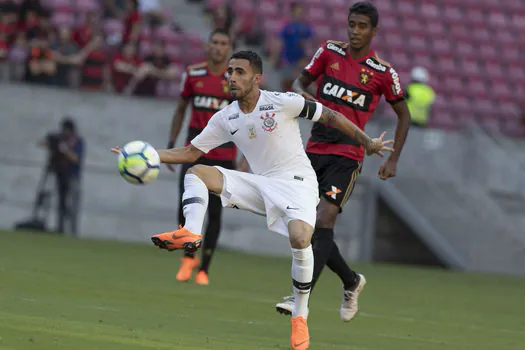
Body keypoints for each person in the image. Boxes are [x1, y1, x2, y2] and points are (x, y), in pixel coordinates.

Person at [113, 50, 393, 350]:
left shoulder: (283, 102)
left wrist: (367, 142)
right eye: (230, 72)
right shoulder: (226, 117)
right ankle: (191, 232)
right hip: (261, 184)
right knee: (196, 172)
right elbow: (189, 152)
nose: (232, 77)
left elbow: (332, 115)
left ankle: (300, 316)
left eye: (239, 72)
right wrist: (151, 155)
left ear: (256, 78)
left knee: (301, 239)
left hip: (298, 184)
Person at [275, 1, 411, 322]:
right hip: (314, 149)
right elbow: (299, 82)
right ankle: (351, 281)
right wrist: (301, 96)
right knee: (311, 228)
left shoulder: (382, 73)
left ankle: (299, 297)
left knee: (324, 219)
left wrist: (393, 160)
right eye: (352, 24)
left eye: (362, 26)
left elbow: (404, 116)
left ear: (373, 31)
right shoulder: (328, 52)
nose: (355, 31)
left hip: (348, 155)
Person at [166, 28, 242, 285]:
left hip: (223, 157)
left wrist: (244, 159)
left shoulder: (236, 80)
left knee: (215, 214)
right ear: (208, 46)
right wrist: (170, 144)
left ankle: (204, 269)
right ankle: (188, 258)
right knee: (185, 207)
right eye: (215, 42)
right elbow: (180, 110)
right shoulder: (193, 73)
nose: (219, 47)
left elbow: (246, 122)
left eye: (224, 43)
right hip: (194, 153)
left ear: (229, 48)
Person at [40, 118, 85, 235]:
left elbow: (76, 159)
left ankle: (72, 231)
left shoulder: (77, 141)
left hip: (72, 176)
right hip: (59, 174)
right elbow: (42, 144)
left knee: (71, 205)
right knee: (60, 203)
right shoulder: (61, 140)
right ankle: (59, 228)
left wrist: (65, 150)